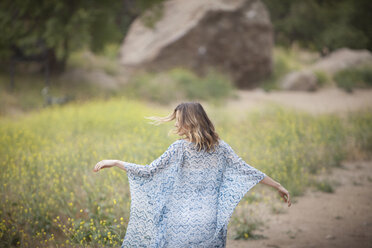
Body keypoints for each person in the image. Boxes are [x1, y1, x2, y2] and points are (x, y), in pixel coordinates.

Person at [93, 102, 291, 248]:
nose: (176, 126)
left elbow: (149, 171)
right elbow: (248, 171)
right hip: (210, 223)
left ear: (190, 123)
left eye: (179, 121)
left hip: (179, 222)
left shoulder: (179, 148)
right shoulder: (222, 148)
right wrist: (278, 185)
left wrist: (117, 162)